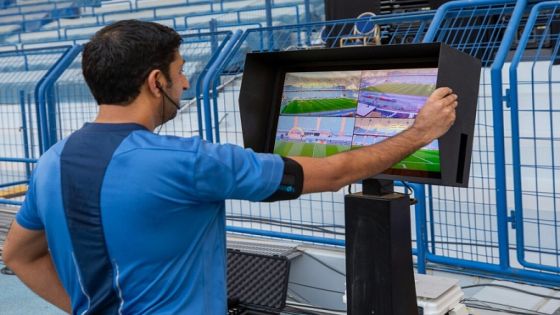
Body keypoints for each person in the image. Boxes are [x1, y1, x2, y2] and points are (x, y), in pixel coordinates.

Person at [2, 20, 458, 314]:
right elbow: (336, 172)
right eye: (180, 70)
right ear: (155, 81)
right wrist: (419, 133)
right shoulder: (190, 162)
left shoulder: (52, 161)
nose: (185, 80)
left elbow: (18, 256)